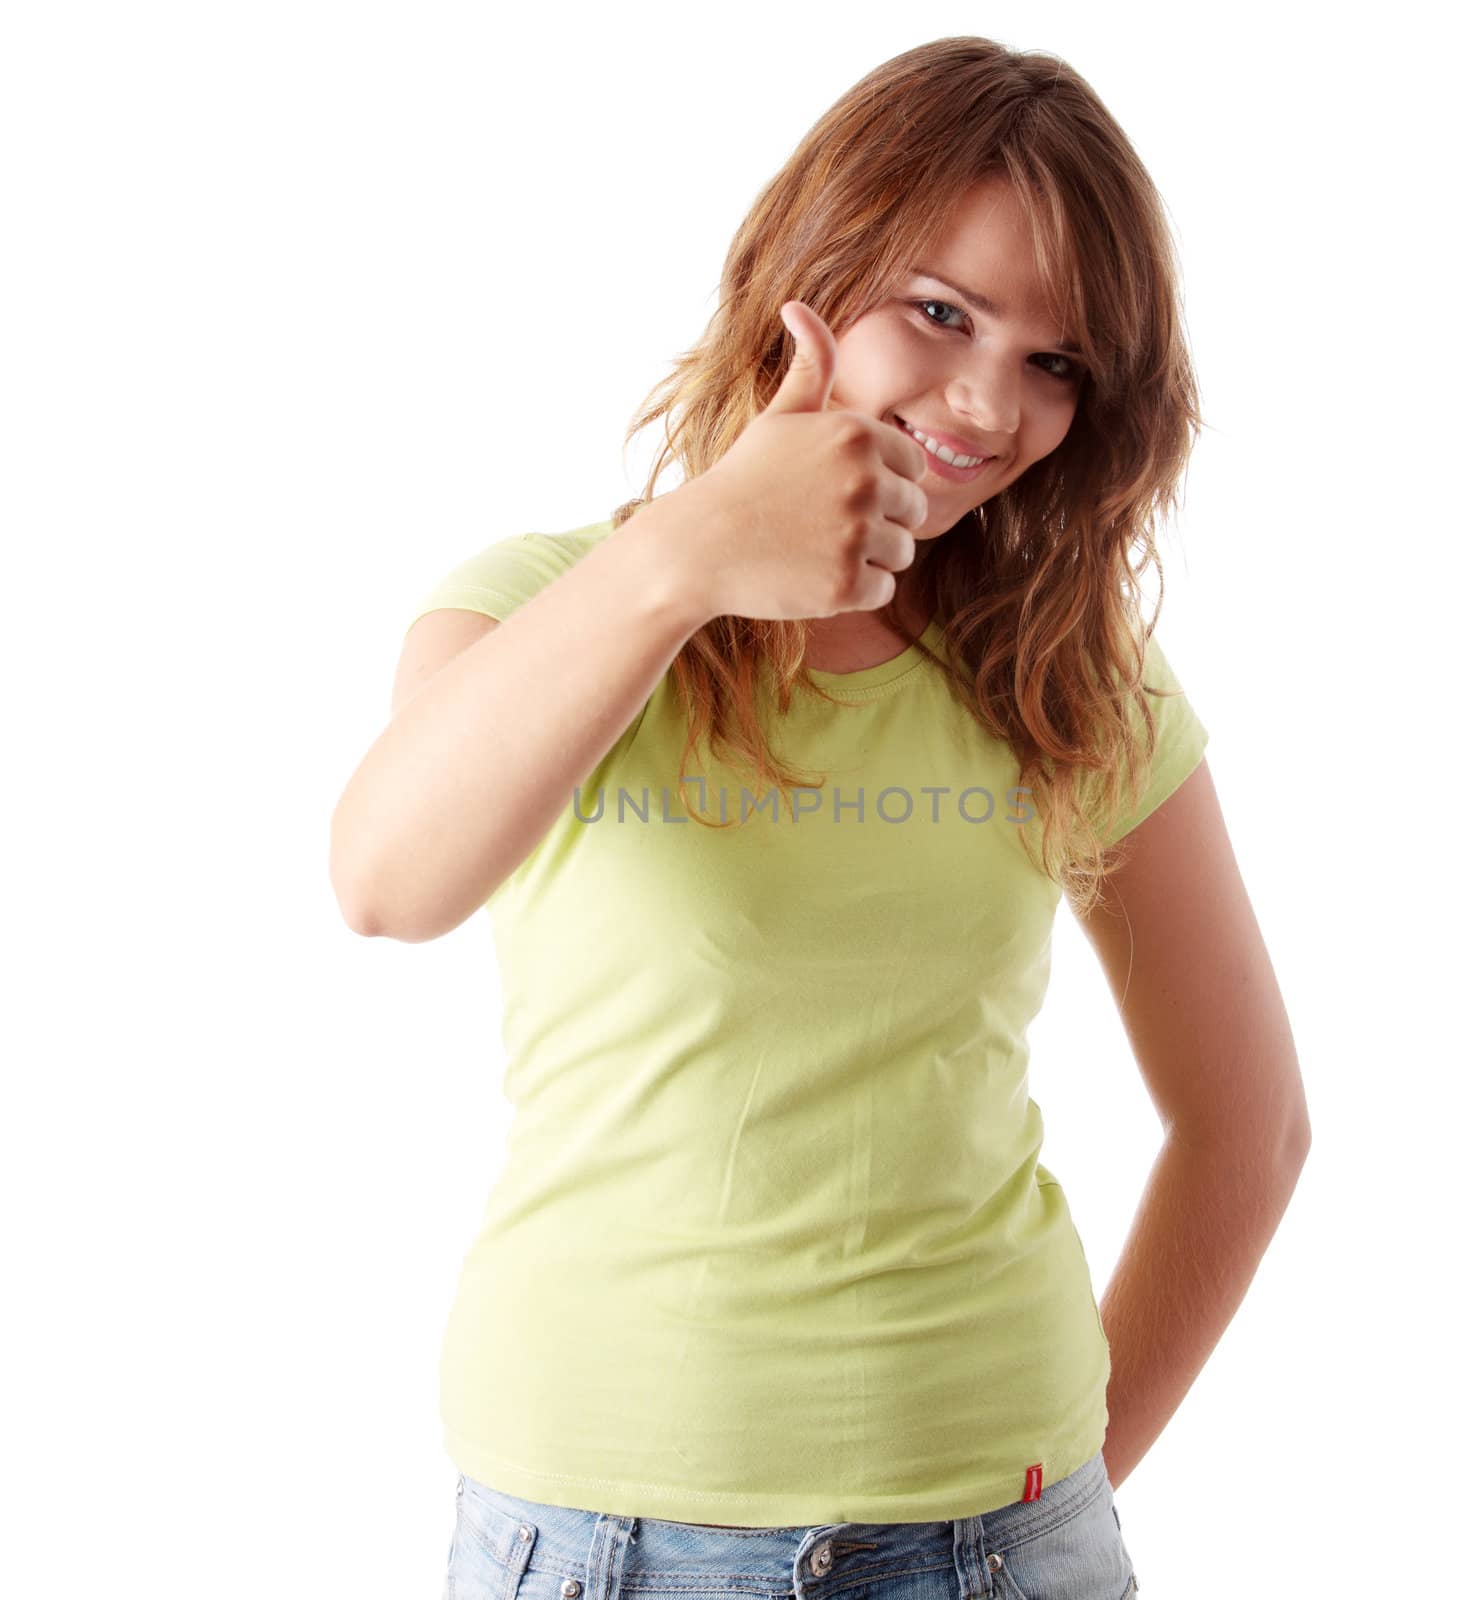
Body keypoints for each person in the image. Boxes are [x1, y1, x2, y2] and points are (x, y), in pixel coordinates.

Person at [330, 35, 1310, 1600]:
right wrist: (688, 560)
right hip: (600, 1542)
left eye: (1058, 361)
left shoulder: (1075, 669)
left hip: (1007, 1528)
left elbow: (1249, 1123)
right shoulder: (534, 605)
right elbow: (384, 883)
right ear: (809, 265)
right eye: (943, 311)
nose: (992, 404)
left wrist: (1053, 1499)